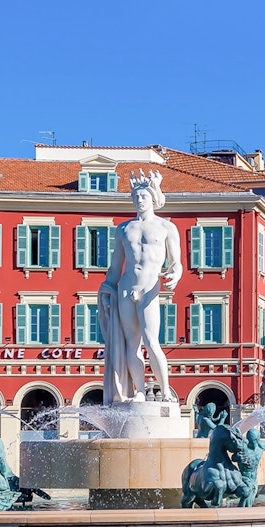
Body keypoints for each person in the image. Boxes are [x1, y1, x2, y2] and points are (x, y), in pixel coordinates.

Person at [98, 170, 182, 403]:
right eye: (136, 196)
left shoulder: (166, 228)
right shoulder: (124, 229)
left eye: (144, 195)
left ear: (153, 197)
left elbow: (177, 263)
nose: (139, 199)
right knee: (131, 343)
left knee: (151, 340)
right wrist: (107, 288)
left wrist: (175, 274)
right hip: (126, 287)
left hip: (149, 287)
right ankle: (140, 391)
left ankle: (165, 391)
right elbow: (116, 267)